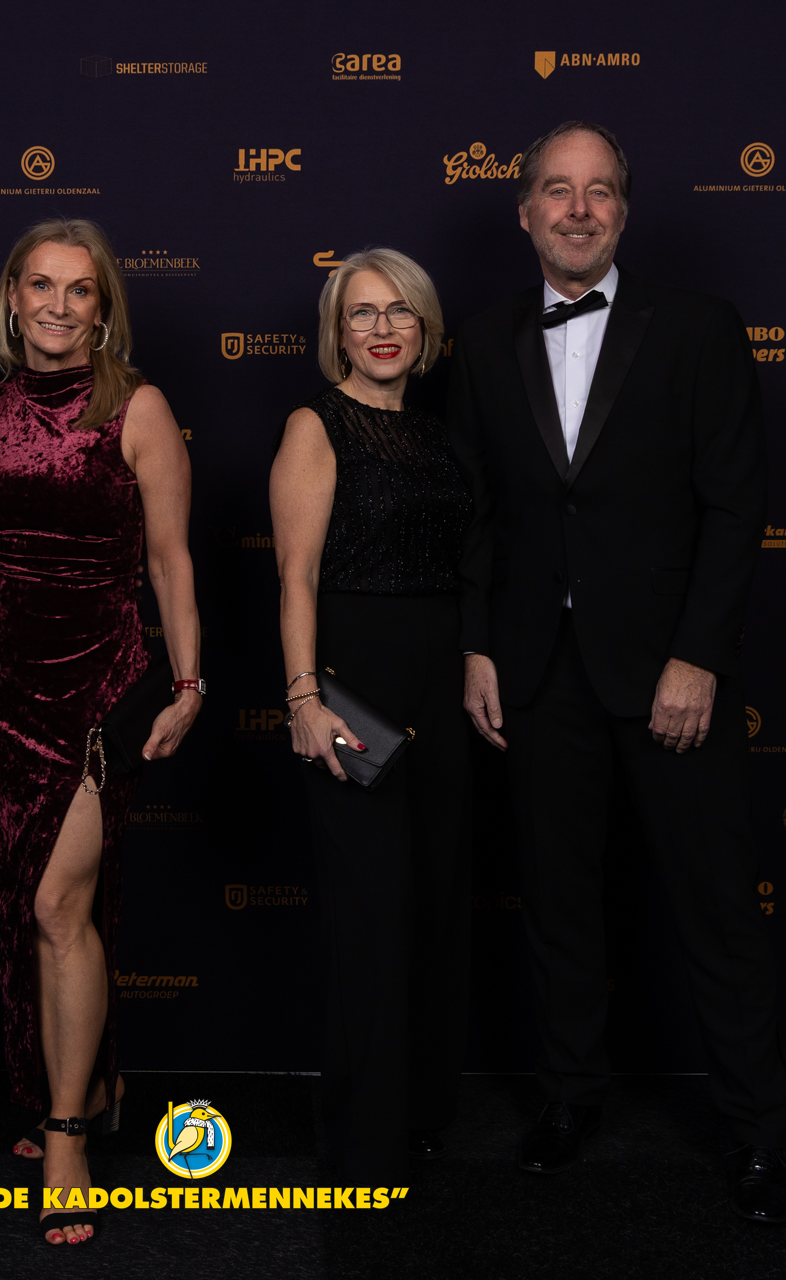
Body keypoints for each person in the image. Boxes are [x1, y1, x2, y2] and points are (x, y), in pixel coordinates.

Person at [445, 121, 786, 1222]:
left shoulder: (699, 327)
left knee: (716, 904)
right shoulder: (482, 339)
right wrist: (478, 645)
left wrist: (697, 655)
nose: (579, 209)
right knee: (558, 903)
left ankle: (757, 1127)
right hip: (539, 671)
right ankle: (569, 1098)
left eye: (599, 191)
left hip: (668, 673)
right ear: (525, 212)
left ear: (625, 213)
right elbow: (476, 513)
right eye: (558, 190)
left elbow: (735, 505)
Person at [0, 218, 203, 1245]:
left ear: (103, 306)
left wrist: (188, 682)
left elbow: (169, 558)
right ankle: (92, 1079)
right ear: (13, 297)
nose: (58, 306)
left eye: (79, 289)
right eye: (41, 286)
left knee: (59, 902)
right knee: (25, 904)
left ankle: (66, 1131)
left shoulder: (135, 405)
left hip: (95, 685)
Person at [268, 248, 473, 1188]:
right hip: (354, 686)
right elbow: (296, 576)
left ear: (424, 328)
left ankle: (420, 1111)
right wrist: (303, 697)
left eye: (399, 311)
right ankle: (362, 1137)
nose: (382, 329)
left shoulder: (438, 435)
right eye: (361, 313)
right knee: (371, 913)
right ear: (337, 331)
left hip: (439, 686)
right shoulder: (316, 425)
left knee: (432, 904)